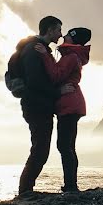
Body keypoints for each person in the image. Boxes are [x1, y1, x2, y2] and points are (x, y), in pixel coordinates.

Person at [14, 15, 72, 195]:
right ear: (50, 30)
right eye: (59, 30)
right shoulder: (34, 50)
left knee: (40, 148)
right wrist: (58, 92)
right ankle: (25, 191)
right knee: (40, 149)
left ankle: (26, 190)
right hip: (36, 106)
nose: (61, 35)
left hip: (39, 105)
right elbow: (36, 82)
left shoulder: (40, 49)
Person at [34, 27, 91, 193]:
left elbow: (56, 75)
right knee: (68, 146)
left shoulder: (72, 57)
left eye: (67, 34)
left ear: (73, 38)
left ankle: (71, 186)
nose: (63, 36)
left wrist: (45, 55)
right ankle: (71, 184)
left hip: (70, 104)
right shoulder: (71, 56)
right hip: (72, 104)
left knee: (65, 146)